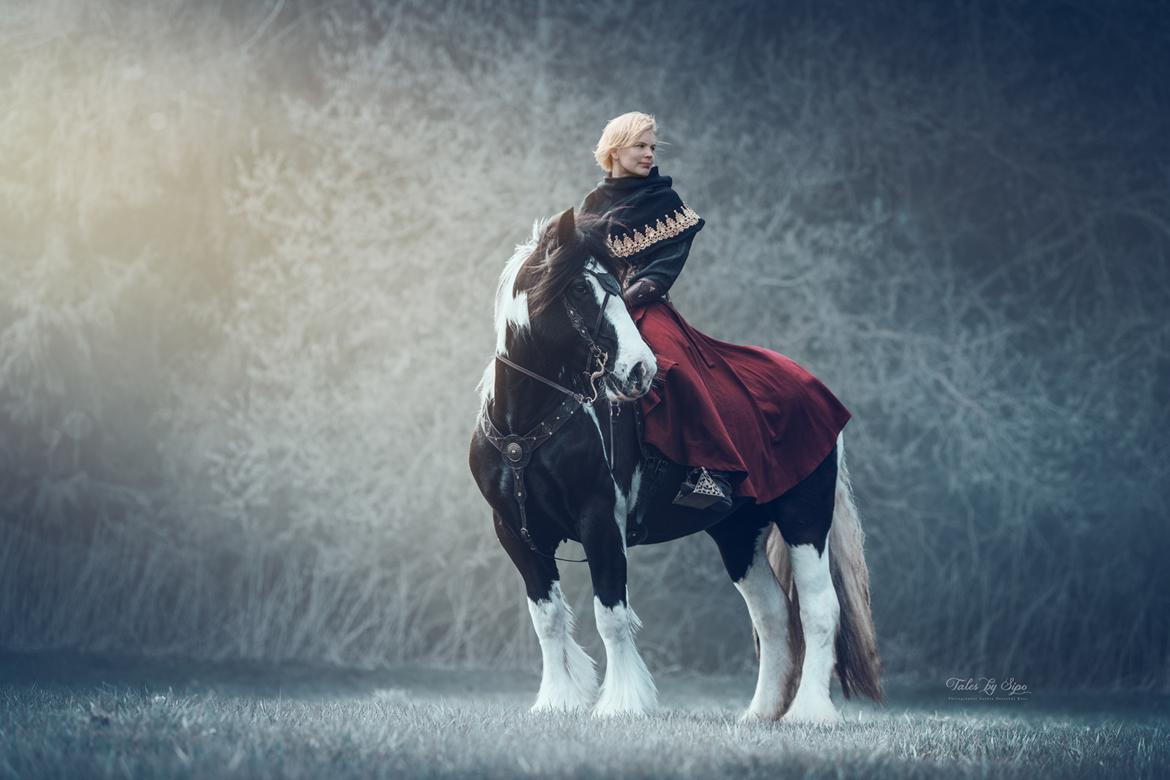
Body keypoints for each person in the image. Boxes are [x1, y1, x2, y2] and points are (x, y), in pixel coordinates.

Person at [579, 111, 851, 512]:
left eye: (653, 147)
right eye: (640, 146)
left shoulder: (665, 202)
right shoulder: (590, 205)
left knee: (677, 367)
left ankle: (708, 471)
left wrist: (620, 301)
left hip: (646, 308)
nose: (649, 154)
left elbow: (664, 270)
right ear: (616, 149)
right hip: (597, 311)